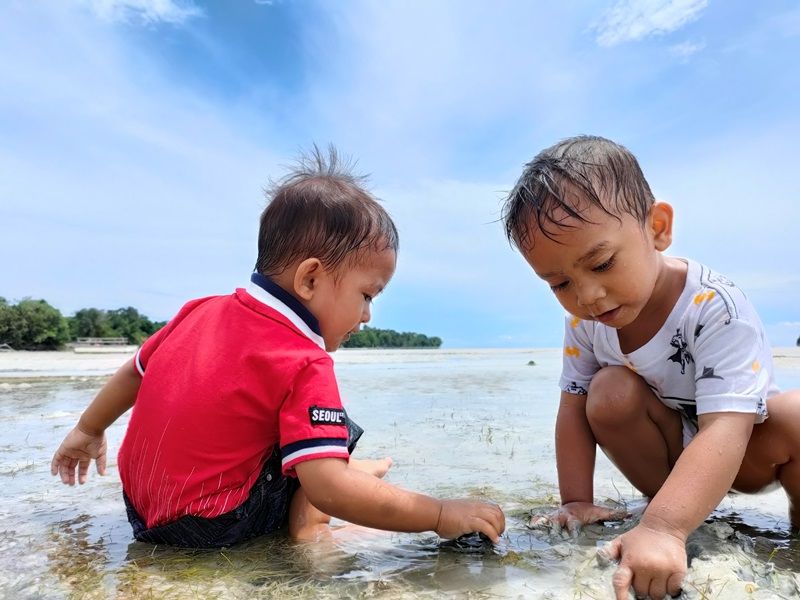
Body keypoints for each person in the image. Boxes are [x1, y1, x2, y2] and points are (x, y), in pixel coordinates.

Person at [51, 147, 505, 549]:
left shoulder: (197, 311)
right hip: (215, 525)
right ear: (310, 279)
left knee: (302, 441)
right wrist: (440, 514)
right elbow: (328, 488)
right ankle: (310, 524)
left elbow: (134, 373)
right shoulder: (304, 358)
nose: (367, 316)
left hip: (144, 513)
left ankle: (348, 470)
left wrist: (87, 430)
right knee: (335, 433)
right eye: (367, 295)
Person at [501, 135, 800, 600]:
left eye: (601, 264)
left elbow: (726, 426)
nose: (587, 296)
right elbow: (572, 411)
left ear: (657, 227)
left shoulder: (714, 306)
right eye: (559, 282)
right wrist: (576, 501)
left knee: (797, 415)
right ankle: (675, 508)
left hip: (743, 450)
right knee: (607, 391)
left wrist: (665, 529)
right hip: (669, 457)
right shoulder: (586, 323)